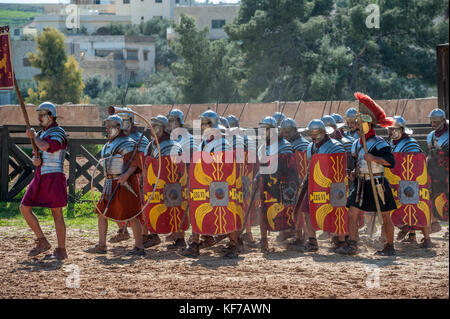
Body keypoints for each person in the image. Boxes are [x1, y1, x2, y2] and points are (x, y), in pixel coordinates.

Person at [336, 92, 398, 256]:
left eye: (359, 124)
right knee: (352, 213)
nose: (356, 126)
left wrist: (374, 158)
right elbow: (357, 161)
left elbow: (391, 162)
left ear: (367, 125)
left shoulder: (379, 143)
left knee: (385, 216)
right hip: (362, 183)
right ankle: (353, 245)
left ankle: (390, 246)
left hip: (378, 183)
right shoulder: (356, 143)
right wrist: (355, 172)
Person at [180, 110, 238, 258]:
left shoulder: (223, 143)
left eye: (204, 123)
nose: (202, 126)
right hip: (204, 185)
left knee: (226, 214)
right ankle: (197, 243)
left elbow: (225, 166)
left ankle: (233, 246)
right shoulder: (205, 142)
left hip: (220, 186)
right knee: (197, 209)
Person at [86, 115, 145, 256]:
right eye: (106, 127)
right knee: (101, 213)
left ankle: (139, 247)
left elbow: (135, 163)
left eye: (110, 127)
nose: (107, 129)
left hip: (126, 183)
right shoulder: (108, 144)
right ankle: (102, 245)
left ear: (118, 128)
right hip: (110, 182)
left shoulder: (127, 143)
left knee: (132, 214)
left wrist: (125, 175)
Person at [21, 102, 68, 260]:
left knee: (57, 214)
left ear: (50, 115)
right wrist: (36, 160)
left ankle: (61, 249)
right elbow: (38, 154)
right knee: (24, 207)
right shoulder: (40, 133)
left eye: (42, 114)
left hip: (54, 176)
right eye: (38, 114)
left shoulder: (58, 132)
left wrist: (34, 136)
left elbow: (46, 147)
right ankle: (42, 241)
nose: (39, 117)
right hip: (40, 175)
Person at [293, 119, 346, 252]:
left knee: (335, 211)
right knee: (307, 211)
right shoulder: (311, 146)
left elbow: (340, 167)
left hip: (332, 185)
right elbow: (311, 167)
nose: (313, 137)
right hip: (314, 184)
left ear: (323, 132)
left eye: (315, 134)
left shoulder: (335, 146)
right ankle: (312, 241)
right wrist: (305, 182)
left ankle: (340, 240)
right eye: (311, 134)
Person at [386, 116, 432, 248]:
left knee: (418, 207)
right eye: (389, 129)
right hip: (398, 182)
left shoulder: (410, 143)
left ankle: (427, 238)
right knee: (401, 208)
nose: (389, 132)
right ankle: (411, 235)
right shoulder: (392, 144)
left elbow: (416, 163)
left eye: (392, 129)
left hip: (412, 183)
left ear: (401, 129)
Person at [109, 108, 151, 246]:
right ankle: (122, 231)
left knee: (140, 207)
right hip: (120, 175)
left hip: (138, 176)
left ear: (131, 121)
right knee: (116, 203)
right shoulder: (118, 138)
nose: (122, 124)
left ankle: (145, 235)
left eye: (125, 121)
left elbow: (144, 159)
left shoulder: (141, 138)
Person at [426, 108, 449, 234]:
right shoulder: (430, 136)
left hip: (446, 173)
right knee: (432, 197)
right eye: (432, 121)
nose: (433, 124)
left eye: (436, 121)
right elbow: (429, 154)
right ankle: (434, 223)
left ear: (443, 121)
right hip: (433, 172)